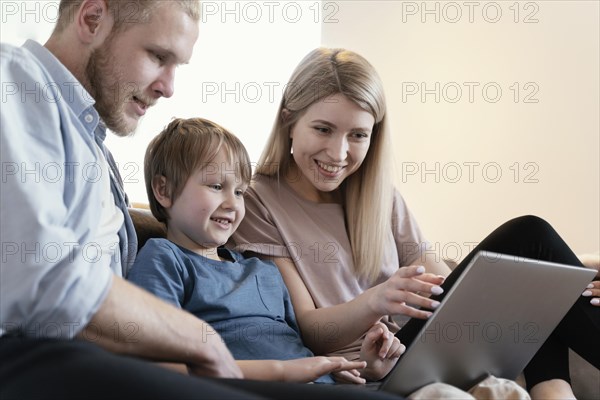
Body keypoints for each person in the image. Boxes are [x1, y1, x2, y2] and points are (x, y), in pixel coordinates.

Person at [0, 2, 405, 398]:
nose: (169, 87)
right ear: (92, 18)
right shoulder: (14, 80)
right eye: (158, 56)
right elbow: (43, 274)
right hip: (31, 359)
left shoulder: (91, 146)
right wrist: (198, 337)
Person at [229, 47, 600, 399]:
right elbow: (312, 330)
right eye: (323, 129)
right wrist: (374, 302)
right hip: (378, 368)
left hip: (429, 346)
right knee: (529, 234)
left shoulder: (377, 195)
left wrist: (570, 271)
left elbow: (451, 288)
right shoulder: (254, 201)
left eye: (357, 135)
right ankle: (552, 386)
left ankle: (553, 388)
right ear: (289, 120)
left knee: (534, 279)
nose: (338, 153)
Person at [127, 117, 405, 384]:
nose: (232, 204)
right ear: (163, 190)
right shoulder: (164, 259)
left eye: (239, 192)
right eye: (216, 186)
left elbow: (295, 349)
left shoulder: (263, 270)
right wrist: (283, 372)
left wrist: (359, 367)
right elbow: (159, 360)